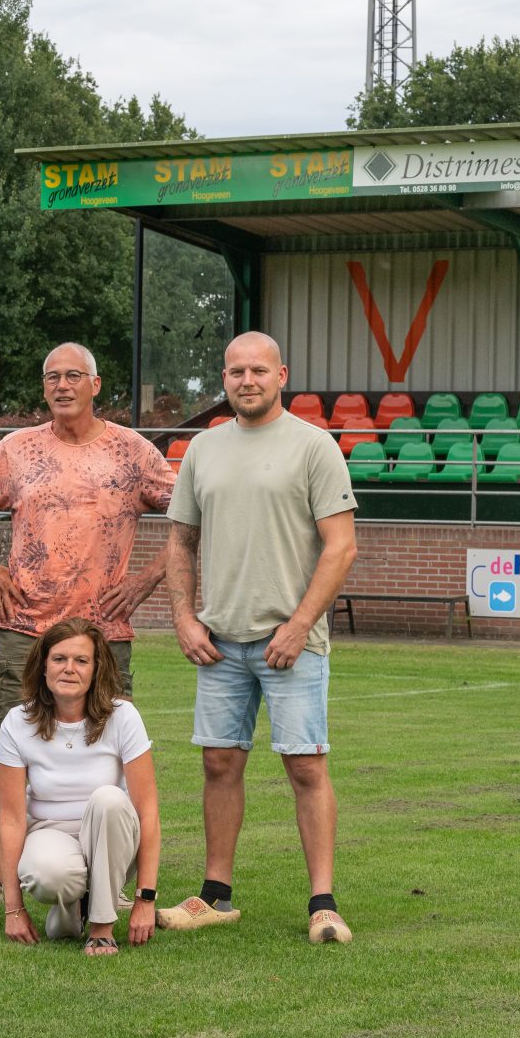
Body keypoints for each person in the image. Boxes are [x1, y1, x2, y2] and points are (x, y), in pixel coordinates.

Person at [0, 342, 174, 914]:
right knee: (2, 750)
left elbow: (194, 510)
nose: (62, 385)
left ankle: (111, 881)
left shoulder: (132, 453)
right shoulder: (17, 450)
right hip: (26, 628)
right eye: (52, 376)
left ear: (95, 385)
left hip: (104, 633)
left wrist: (150, 577)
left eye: (74, 375)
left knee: (111, 755)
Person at [161, 331, 360, 945]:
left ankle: (322, 903)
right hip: (219, 642)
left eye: (258, 371)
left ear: (282, 375)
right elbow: (179, 542)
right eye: (235, 371)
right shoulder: (203, 448)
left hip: (290, 642)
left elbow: (341, 544)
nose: (246, 381)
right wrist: (185, 618)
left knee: (305, 768)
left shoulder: (314, 446)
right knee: (219, 763)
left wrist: (301, 624)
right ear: (223, 379)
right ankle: (215, 896)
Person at [0, 618, 161, 955]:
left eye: (81, 660)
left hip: (114, 835)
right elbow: (12, 819)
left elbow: (148, 812)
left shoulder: (123, 716)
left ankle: (101, 928)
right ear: (43, 666)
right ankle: (73, 906)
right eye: (59, 659)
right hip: (49, 830)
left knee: (109, 799)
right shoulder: (17, 722)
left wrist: (146, 899)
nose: (69, 669)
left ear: (96, 669)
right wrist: (13, 909)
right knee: (44, 874)